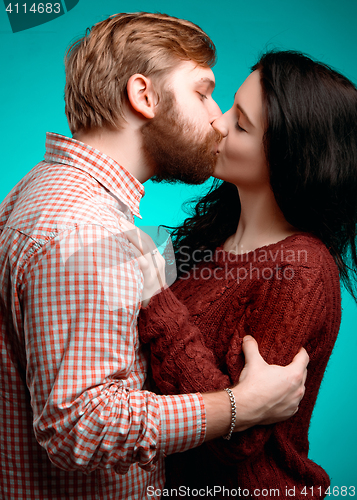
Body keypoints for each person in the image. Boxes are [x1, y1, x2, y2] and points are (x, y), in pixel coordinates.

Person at [0, 14, 308, 500]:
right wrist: (239, 407)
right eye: (202, 92)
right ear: (143, 96)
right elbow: (78, 427)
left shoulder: (41, 189)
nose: (215, 116)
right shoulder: (83, 230)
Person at [130, 50, 357, 499]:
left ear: (292, 159)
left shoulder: (303, 270)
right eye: (231, 106)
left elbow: (240, 441)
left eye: (242, 124)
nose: (217, 123)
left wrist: (155, 297)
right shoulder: (213, 239)